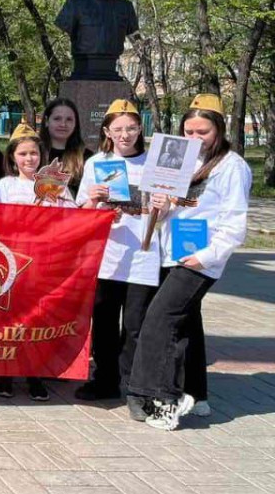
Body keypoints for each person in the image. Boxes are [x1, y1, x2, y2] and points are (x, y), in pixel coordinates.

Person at [128, 94, 250, 431]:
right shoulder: (181, 159)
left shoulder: (232, 167)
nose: (195, 138)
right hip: (174, 251)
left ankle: (162, 398)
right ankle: (197, 394)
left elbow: (235, 224)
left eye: (203, 132)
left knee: (160, 319)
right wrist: (162, 204)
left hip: (201, 258)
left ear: (219, 130)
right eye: (189, 131)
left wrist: (205, 257)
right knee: (187, 323)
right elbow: (173, 209)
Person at [74, 99, 163, 414]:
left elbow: (172, 209)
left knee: (136, 325)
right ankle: (106, 379)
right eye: (118, 129)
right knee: (105, 322)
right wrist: (94, 201)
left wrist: (164, 204)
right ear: (107, 131)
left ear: (140, 129)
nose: (125, 135)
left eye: (131, 128)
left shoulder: (154, 163)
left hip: (144, 256)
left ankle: (136, 386)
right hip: (109, 256)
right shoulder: (97, 162)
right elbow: (82, 211)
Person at [0, 122, 76, 402]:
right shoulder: (3, 187)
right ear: (12, 157)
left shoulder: (56, 187)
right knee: (9, 318)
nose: (29, 159)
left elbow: (74, 220)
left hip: (44, 264)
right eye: (23, 154)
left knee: (37, 319)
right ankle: (4, 372)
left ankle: (34, 373)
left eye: (34, 153)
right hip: (12, 263)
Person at [38, 97, 93, 195]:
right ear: (46, 121)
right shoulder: (34, 153)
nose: (63, 124)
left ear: (75, 124)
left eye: (69, 119)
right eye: (57, 119)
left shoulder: (86, 157)